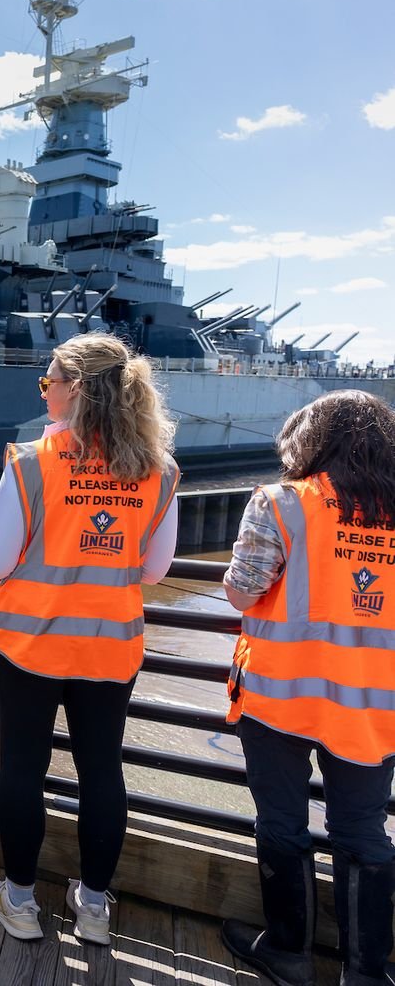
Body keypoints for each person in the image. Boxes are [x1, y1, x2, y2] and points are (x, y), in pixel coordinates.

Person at [0, 332, 179, 946]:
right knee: (101, 771)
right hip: (109, 647)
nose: (45, 391)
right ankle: (93, 908)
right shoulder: (159, 470)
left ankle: (18, 902)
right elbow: (155, 571)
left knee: (22, 768)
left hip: (29, 644)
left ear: (77, 390)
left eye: (49, 381)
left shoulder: (30, 461)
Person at [220, 390, 395, 986]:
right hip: (373, 709)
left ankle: (289, 952)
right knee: (364, 835)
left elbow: (243, 592)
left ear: (310, 440)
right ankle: (367, 974)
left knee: (281, 822)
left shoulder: (282, 503)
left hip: (280, 698)